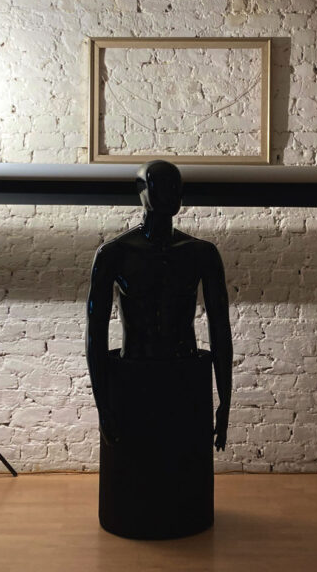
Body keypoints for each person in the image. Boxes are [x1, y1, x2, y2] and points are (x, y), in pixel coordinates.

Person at [85, 160, 234, 538]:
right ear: (142, 193)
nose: (171, 193)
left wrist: (225, 400)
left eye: (175, 186)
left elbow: (220, 329)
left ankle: (183, 516)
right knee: (134, 478)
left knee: (182, 475)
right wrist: (103, 405)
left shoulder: (200, 253)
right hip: (133, 376)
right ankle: (135, 517)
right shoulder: (115, 254)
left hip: (184, 373)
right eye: (160, 185)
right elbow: (95, 336)